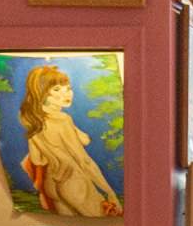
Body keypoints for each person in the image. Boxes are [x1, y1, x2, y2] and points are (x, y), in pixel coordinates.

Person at [15, 63, 118, 216]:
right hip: (74, 182)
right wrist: (110, 192)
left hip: (52, 185)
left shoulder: (34, 122)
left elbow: (38, 160)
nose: (67, 93)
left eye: (68, 88)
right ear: (41, 94)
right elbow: (84, 161)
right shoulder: (63, 120)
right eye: (56, 89)